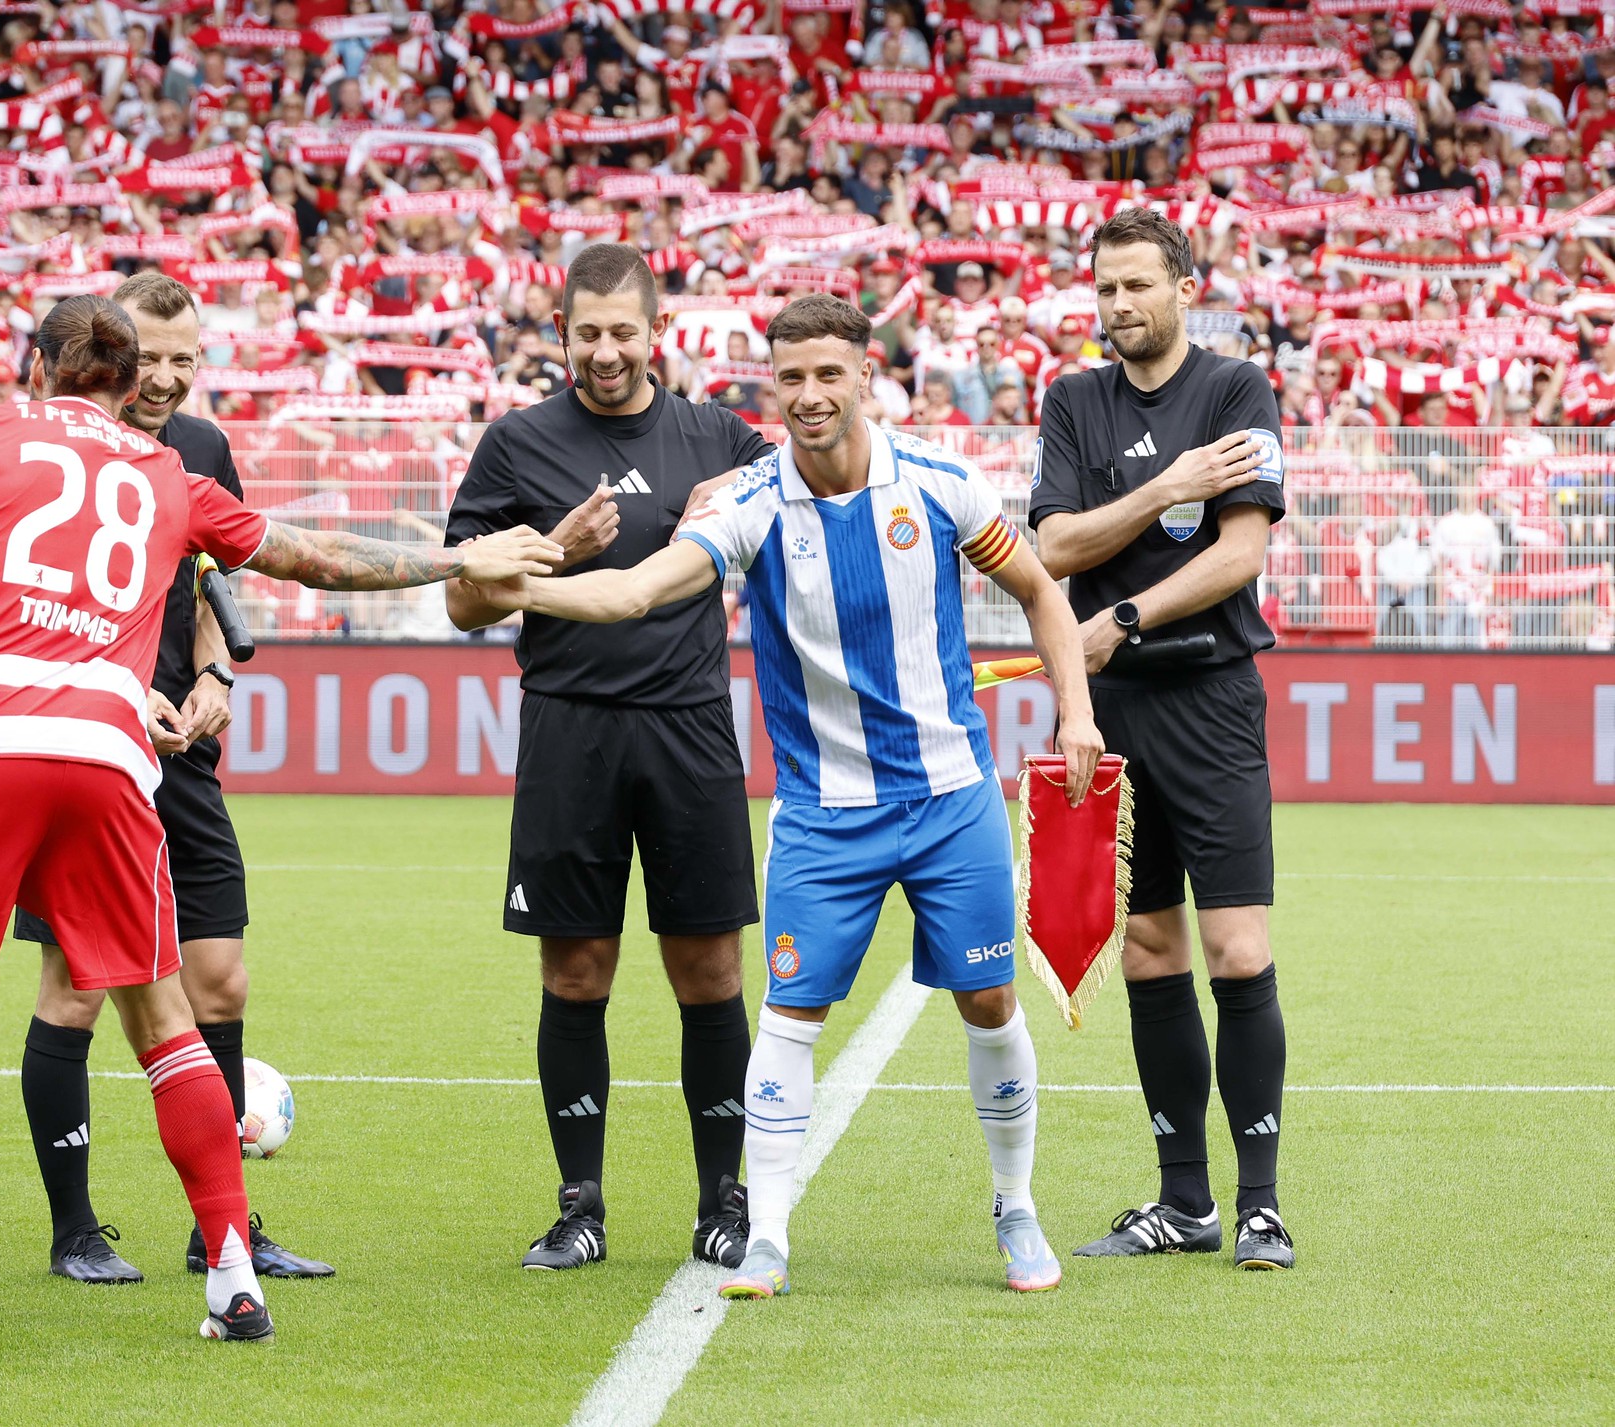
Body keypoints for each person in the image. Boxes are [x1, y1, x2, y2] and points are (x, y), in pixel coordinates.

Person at [0, 296, 560, 1356]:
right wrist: (459, 560)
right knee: (164, 1023)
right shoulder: (169, 475)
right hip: (113, 761)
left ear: (36, 368)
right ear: (128, 390)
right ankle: (231, 1276)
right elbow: (312, 555)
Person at [470, 293, 1104, 1300]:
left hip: (951, 797)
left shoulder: (939, 486)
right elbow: (637, 591)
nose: (808, 395)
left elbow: (1039, 591)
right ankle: (763, 1232)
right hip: (825, 813)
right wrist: (518, 581)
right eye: (790, 377)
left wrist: (1073, 710)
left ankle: (1016, 1205)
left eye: (827, 374)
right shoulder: (751, 502)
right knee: (791, 1015)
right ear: (773, 386)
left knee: (987, 1000)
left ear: (864, 377)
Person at [443, 242, 777, 1273]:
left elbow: (812, 503)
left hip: (688, 726)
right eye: (586, 332)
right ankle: (578, 1204)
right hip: (567, 727)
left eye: (621, 331)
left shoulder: (717, 435)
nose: (604, 350)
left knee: (709, 969)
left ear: (654, 327)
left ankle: (723, 1197)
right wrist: (556, 546)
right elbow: (460, 600)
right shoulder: (515, 445)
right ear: (562, 332)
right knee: (576, 969)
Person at [9, 273, 325, 1285]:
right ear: (105, 354)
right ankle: (72, 1230)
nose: (173, 377)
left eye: (191, 359)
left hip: (181, 752)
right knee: (74, 989)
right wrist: (114, 690)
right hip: (81, 745)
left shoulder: (202, 449)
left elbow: (206, 576)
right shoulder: (50, 447)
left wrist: (217, 671)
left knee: (220, 975)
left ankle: (219, 1229)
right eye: (154, 357)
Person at [1027, 209, 1295, 1271]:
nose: (1119, 305)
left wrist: (1126, 616)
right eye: (1105, 289)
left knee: (1238, 946)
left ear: (1186, 286)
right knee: (1145, 946)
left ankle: (1260, 1204)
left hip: (1210, 699)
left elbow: (1240, 553)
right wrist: (1166, 487)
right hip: (1104, 715)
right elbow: (1053, 542)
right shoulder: (1072, 401)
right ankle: (1183, 1198)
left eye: (1138, 284)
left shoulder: (1234, 392)